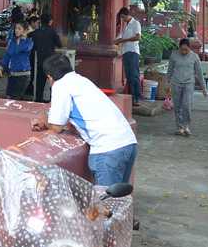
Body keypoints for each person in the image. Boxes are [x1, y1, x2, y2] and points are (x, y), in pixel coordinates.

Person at [32, 53, 137, 186]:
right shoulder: (81, 80)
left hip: (108, 150)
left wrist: (44, 121)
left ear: (49, 77)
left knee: (106, 203)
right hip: (128, 143)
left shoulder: (61, 85)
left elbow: (56, 127)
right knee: (118, 201)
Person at [167, 38, 207, 136]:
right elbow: (170, 70)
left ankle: (186, 126)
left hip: (189, 83)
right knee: (177, 106)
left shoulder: (194, 57)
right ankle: (179, 127)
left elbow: (199, 73)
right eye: (182, 49)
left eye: (186, 50)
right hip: (176, 83)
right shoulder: (174, 55)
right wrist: (167, 84)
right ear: (179, 48)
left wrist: (204, 88)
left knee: (187, 105)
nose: (184, 52)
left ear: (190, 48)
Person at [26, 13, 62, 102]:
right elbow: (59, 45)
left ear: (41, 21)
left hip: (40, 61)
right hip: (51, 62)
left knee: (39, 83)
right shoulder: (52, 32)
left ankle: (39, 100)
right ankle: (52, 100)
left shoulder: (36, 32)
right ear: (50, 21)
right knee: (52, 83)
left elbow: (29, 36)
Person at [113, 7, 142, 107]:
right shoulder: (126, 26)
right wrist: (117, 41)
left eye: (122, 17)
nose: (122, 19)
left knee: (134, 75)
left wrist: (122, 41)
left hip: (133, 52)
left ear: (126, 15)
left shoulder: (135, 23)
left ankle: (137, 98)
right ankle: (131, 98)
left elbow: (138, 37)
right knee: (129, 77)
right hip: (126, 52)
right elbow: (120, 38)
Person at [0, 21, 33, 100]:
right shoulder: (12, 41)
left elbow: (21, 49)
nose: (16, 30)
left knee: (16, 98)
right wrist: (1, 68)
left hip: (23, 75)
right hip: (12, 74)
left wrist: (24, 37)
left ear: (25, 30)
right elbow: (7, 55)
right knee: (9, 97)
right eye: (16, 28)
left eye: (19, 29)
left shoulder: (28, 41)